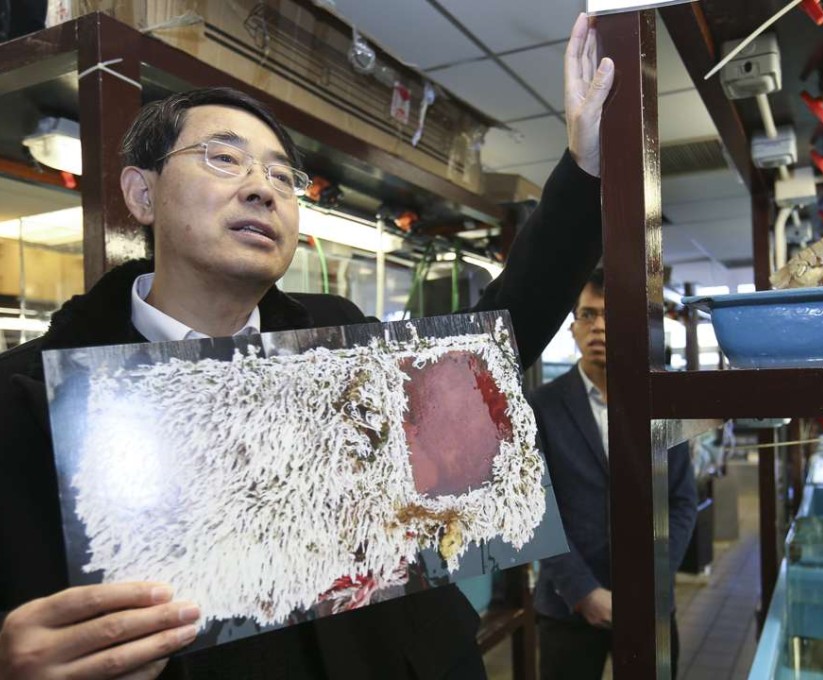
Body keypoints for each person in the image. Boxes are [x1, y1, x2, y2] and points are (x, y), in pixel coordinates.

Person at [0, 13, 614, 680]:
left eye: (283, 178)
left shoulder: (337, 342)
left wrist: (585, 172)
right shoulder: (33, 402)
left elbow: (493, 343)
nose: (264, 188)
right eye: (224, 159)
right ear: (142, 193)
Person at [528, 268, 698, 680]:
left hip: (649, 603)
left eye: (609, 314)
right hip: (566, 604)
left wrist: (651, 580)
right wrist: (583, 592)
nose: (599, 326)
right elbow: (534, 512)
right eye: (587, 315)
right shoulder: (540, 407)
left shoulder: (662, 402)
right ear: (572, 328)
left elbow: (681, 501)